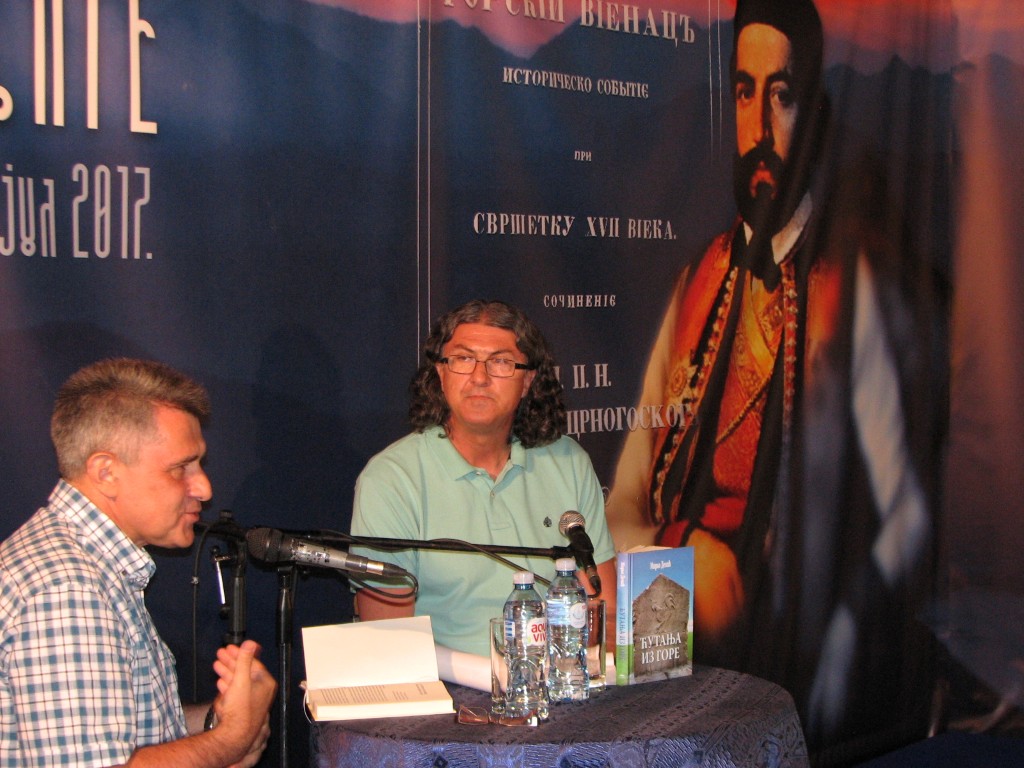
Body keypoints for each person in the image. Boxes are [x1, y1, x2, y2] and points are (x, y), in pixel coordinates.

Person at [605, 0, 937, 749]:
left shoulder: (851, 287)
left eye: (781, 96)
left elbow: (907, 514)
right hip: (680, 631)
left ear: (811, 113)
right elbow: (625, 500)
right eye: (745, 93)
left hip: (802, 649)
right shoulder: (698, 281)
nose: (758, 128)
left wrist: (844, 632)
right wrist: (679, 570)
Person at [0, 358, 277, 768]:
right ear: (106, 472)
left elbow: (131, 737)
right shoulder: (67, 590)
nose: (204, 488)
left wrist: (220, 722)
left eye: (199, 465)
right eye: (180, 468)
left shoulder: (91, 568)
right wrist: (231, 739)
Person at [349, 299, 616, 657]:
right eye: (463, 359)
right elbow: (388, 645)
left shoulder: (568, 462)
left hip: (558, 676)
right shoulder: (392, 479)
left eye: (500, 362)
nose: (479, 377)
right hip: (444, 684)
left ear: (527, 380)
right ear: (441, 373)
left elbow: (604, 615)